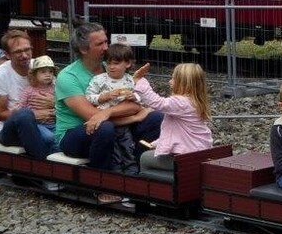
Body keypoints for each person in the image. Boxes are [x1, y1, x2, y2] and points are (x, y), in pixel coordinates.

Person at [55, 21, 162, 177]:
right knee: (104, 128)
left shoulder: (112, 66)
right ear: (84, 49)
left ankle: (137, 171)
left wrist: (109, 112)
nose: (106, 47)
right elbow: (93, 118)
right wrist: (134, 118)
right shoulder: (68, 77)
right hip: (74, 135)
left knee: (156, 118)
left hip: (116, 126)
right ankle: (102, 182)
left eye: (106, 41)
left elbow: (134, 105)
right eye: (100, 44)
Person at [131, 62, 213, 173]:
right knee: (153, 154)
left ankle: (150, 187)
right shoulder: (195, 101)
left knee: (145, 158)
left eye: (174, 79)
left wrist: (139, 81)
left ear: (184, 84)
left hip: (187, 158)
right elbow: (177, 133)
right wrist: (156, 144)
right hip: (197, 153)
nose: (170, 82)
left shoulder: (181, 102)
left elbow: (158, 103)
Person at [0, 30, 55, 159]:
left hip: (45, 124)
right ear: (7, 54)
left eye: (27, 50)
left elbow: (59, 96)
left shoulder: (40, 66)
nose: (25, 55)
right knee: (25, 115)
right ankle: (43, 167)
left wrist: (54, 103)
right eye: (18, 52)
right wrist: (33, 115)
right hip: (10, 129)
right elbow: (0, 114)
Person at [84, 42, 149, 124]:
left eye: (116, 63)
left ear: (128, 63)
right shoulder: (99, 79)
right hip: (106, 119)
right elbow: (88, 98)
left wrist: (134, 97)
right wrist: (104, 97)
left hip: (126, 118)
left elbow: (142, 98)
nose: (111, 67)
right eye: (108, 63)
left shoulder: (130, 80)